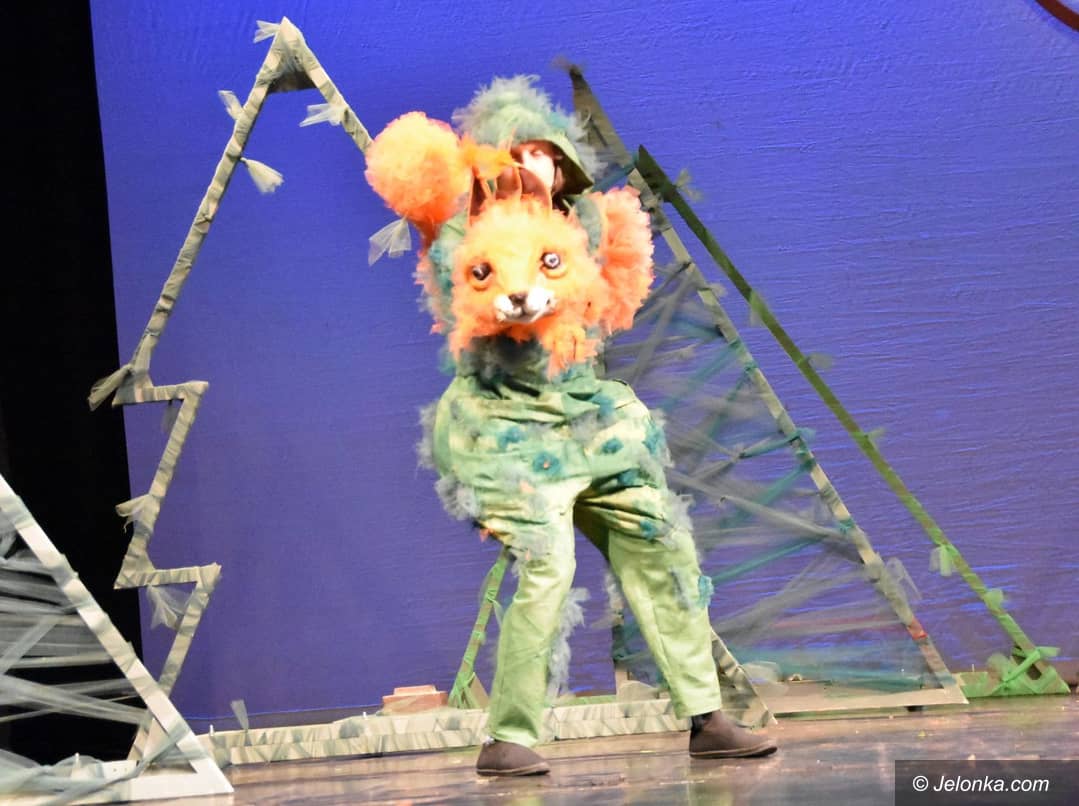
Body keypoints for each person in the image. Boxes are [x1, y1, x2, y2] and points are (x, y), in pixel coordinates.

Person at [365, 75, 777, 778]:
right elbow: (470, 278)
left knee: (660, 543)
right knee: (548, 565)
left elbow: (583, 259)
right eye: (521, 153)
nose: (536, 166)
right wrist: (488, 198)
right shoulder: (466, 231)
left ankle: (706, 718)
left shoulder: (579, 228)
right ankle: (508, 737)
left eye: (547, 155)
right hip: (507, 432)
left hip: (585, 421)